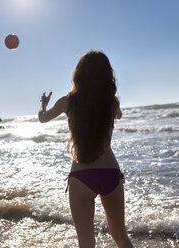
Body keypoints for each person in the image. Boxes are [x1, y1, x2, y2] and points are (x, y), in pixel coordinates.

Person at [38, 50, 133, 248]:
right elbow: (119, 115)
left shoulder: (68, 102)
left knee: (87, 242)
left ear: (79, 74)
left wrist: (43, 104)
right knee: (121, 237)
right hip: (111, 173)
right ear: (107, 75)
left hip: (82, 175)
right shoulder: (111, 102)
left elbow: (43, 118)